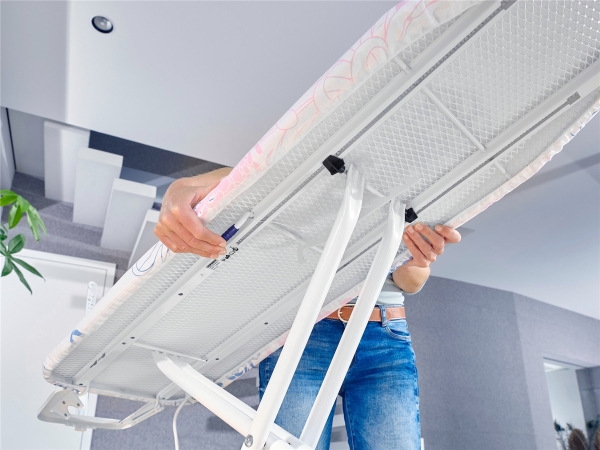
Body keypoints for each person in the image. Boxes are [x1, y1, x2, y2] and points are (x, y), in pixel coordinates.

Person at [156, 168, 461, 450]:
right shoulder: (319, 169)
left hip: (383, 338)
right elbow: (264, 170)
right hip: (305, 335)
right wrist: (178, 190)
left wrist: (420, 260)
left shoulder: (415, 181)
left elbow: (408, 282)